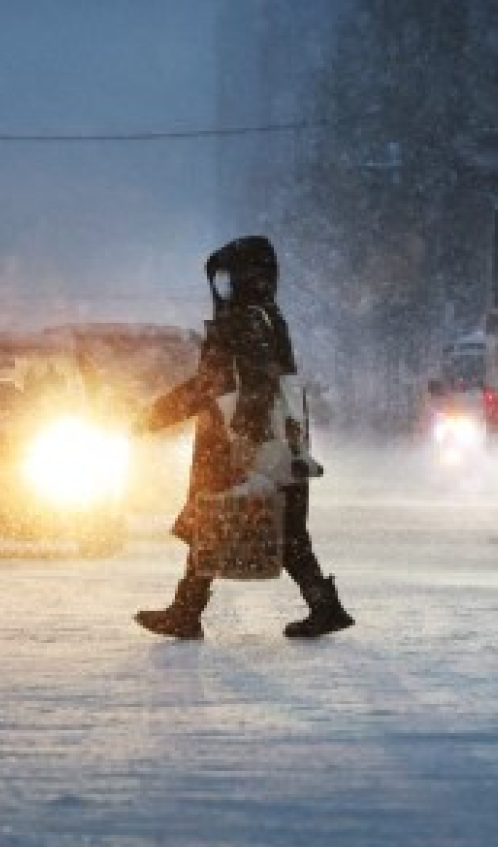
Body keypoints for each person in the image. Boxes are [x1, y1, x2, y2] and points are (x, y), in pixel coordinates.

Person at [133, 236, 353, 640]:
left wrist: (153, 417)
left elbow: (220, 385)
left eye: (228, 278)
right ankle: (322, 606)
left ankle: (187, 611)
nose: (224, 288)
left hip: (240, 442)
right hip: (282, 441)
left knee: (214, 519)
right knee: (278, 530)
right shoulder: (270, 317)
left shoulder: (243, 321)